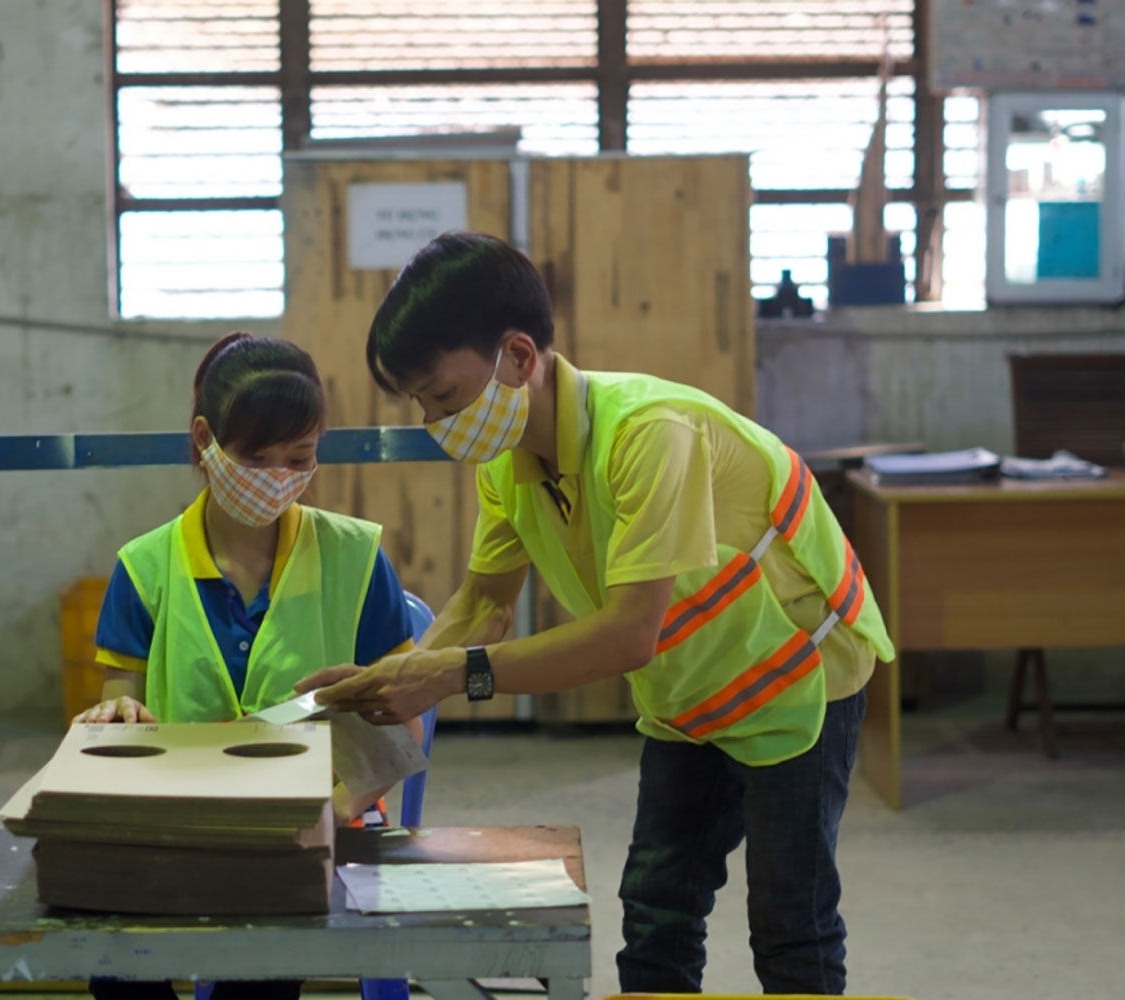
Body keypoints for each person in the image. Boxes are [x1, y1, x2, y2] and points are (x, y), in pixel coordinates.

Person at [297, 233, 895, 996]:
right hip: (692, 691)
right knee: (655, 910)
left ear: (518, 356)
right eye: (421, 402)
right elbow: (483, 603)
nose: (437, 419)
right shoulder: (508, 462)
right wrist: (379, 686)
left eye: (444, 396)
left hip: (800, 678)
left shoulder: (649, 434)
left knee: (791, 920)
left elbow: (629, 634)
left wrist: (449, 676)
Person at [79, 332, 421, 1000]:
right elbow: (119, 703)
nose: (276, 478)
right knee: (112, 960)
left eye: (298, 458)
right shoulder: (143, 569)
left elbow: (401, 721)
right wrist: (117, 716)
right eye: (255, 456)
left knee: (260, 963)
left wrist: (342, 790)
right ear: (206, 439)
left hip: (317, 821)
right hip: (182, 823)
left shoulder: (355, 559)